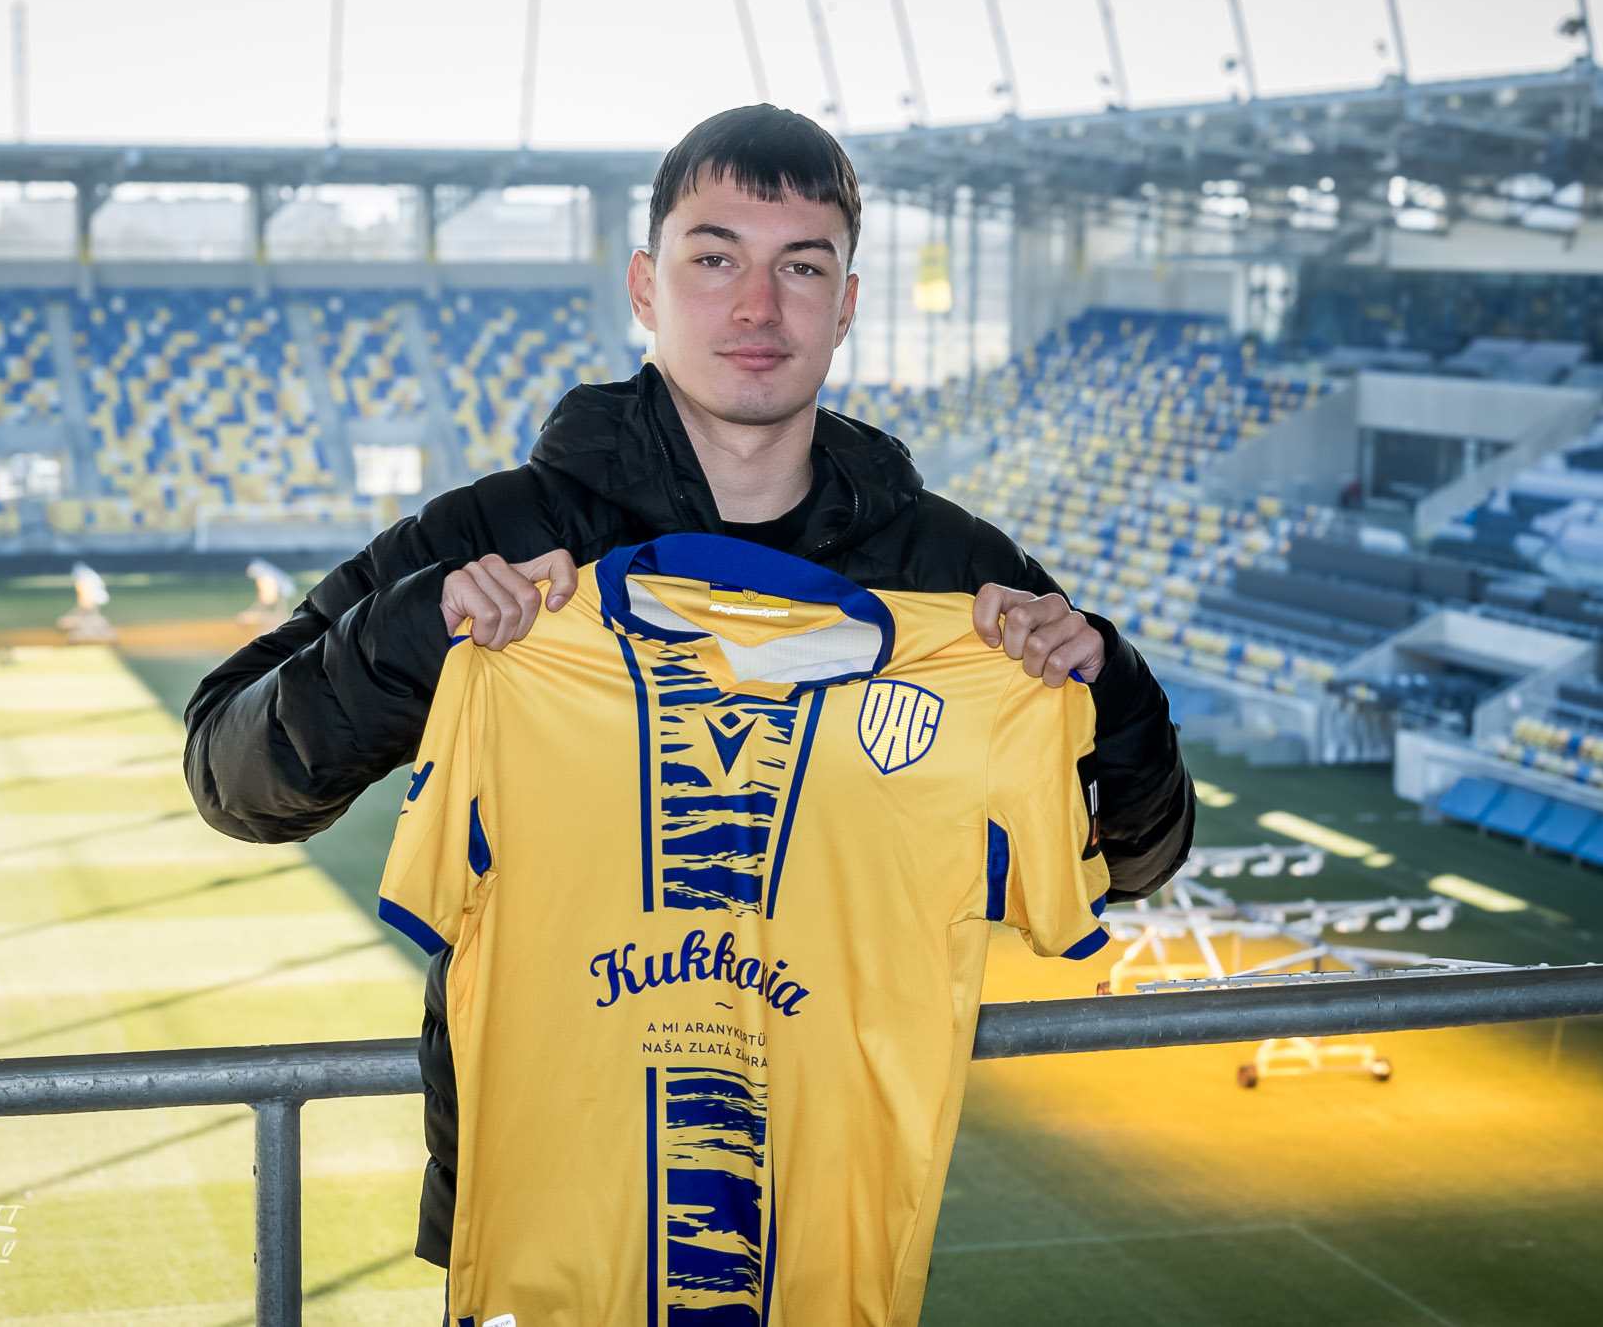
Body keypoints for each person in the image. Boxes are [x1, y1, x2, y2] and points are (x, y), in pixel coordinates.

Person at [183, 103, 1194, 1276]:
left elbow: (1134, 861)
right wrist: (419, 631)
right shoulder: (493, 538)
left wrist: (1105, 685)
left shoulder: (952, 580)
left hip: (821, 1223)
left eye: (799, 267)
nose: (756, 307)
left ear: (845, 304)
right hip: (544, 1228)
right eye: (713, 259)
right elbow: (230, 777)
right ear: (644, 287)